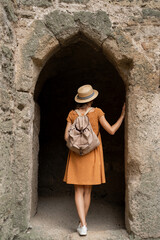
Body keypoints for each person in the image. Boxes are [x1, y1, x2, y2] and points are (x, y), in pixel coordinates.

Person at [63, 84, 125, 236]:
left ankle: (82, 224)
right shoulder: (97, 112)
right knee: (87, 191)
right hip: (92, 154)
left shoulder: (72, 114)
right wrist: (123, 115)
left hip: (77, 154)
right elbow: (111, 130)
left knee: (78, 190)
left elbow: (66, 137)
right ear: (91, 99)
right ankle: (83, 223)